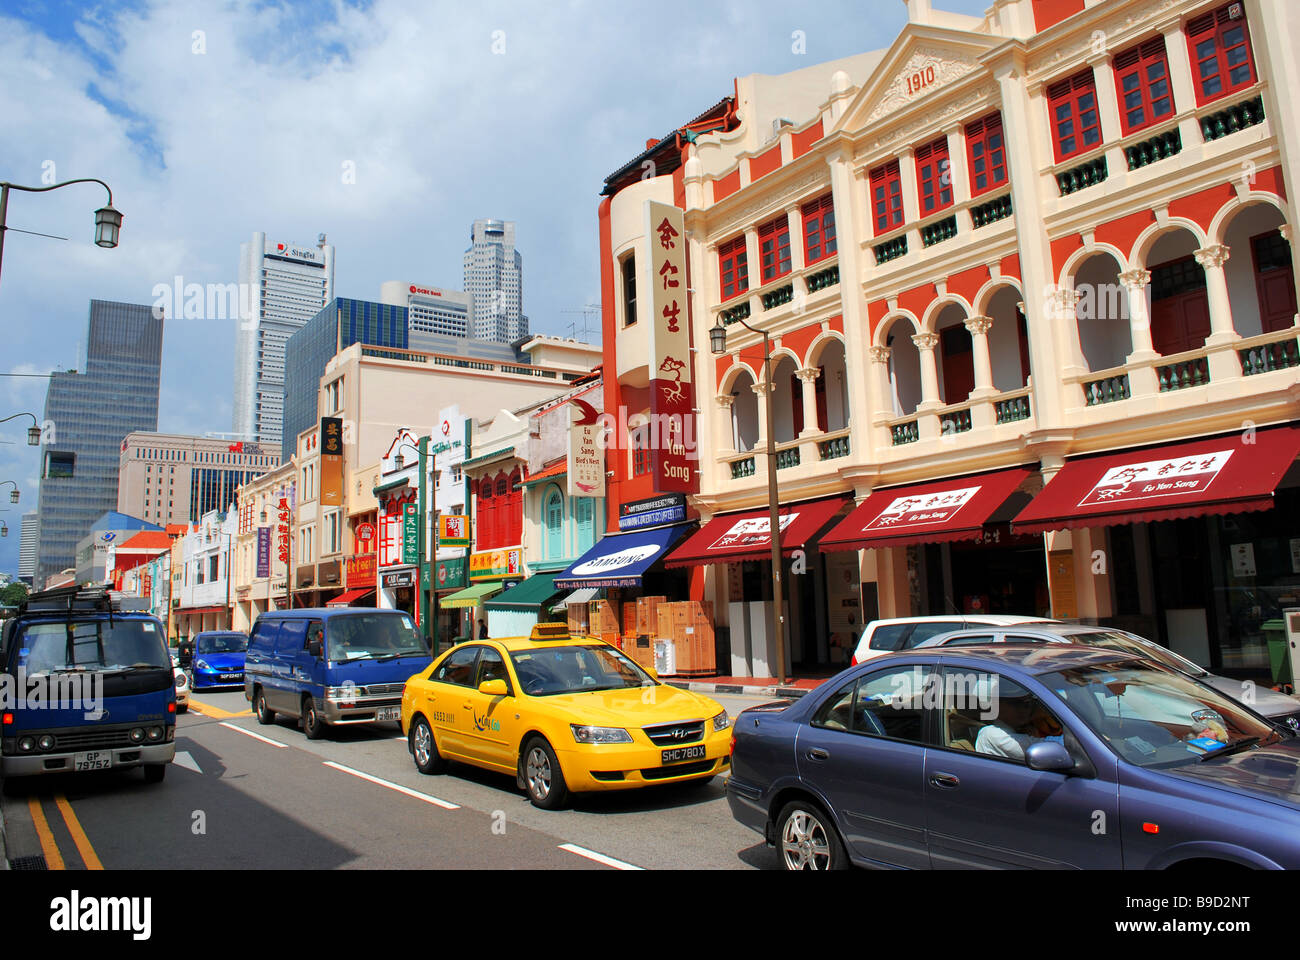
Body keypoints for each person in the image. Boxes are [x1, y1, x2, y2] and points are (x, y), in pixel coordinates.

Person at [975, 693, 1063, 761]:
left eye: (1027, 704)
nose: (1022, 709)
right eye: (1015, 703)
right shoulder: (991, 734)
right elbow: (1062, 746)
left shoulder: (1028, 727)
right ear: (998, 704)